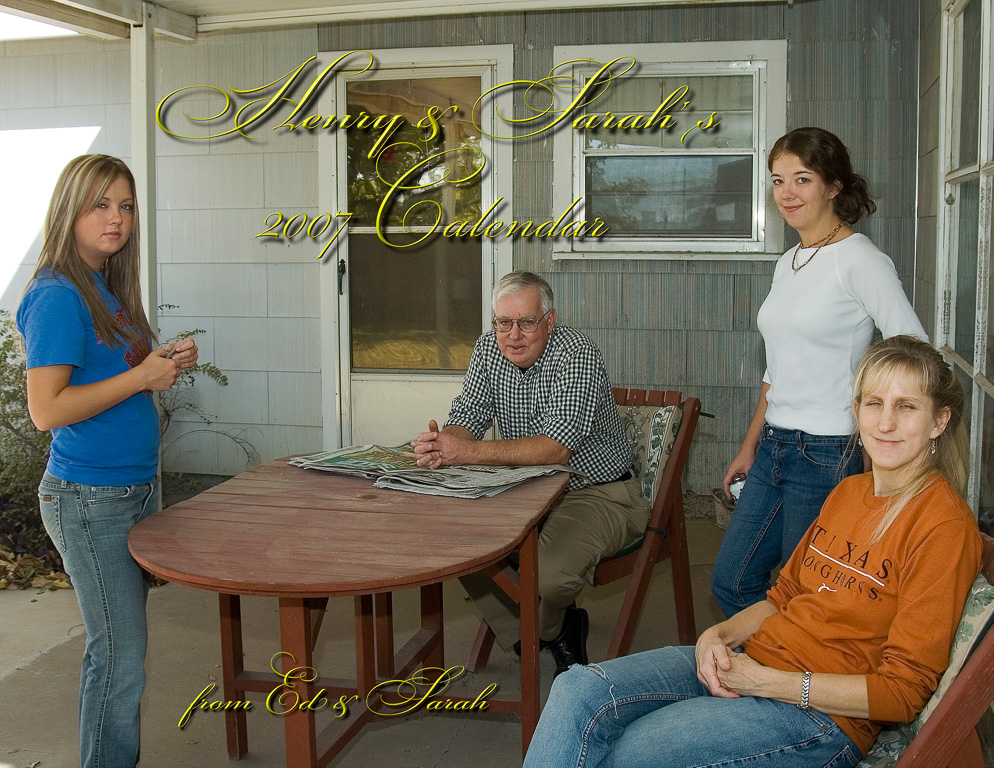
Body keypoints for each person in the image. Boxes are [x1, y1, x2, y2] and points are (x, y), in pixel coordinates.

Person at [523, 335, 981, 768]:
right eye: (874, 403)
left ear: (939, 420)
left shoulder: (942, 525)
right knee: (577, 690)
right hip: (755, 665)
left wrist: (770, 683)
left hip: (819, 719)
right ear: (856, 411)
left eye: (907, 407)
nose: (885, 423)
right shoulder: (849, 493)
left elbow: (902, 692)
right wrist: (716, 637)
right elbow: (782, 598)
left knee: (628, 752)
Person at [16, 154, 198, 768]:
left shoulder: (104, 286)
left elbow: (113, 376)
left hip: (132, 490)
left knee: (123, 651)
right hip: (89, 500)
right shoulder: (56, 296)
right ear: (70, 208)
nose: (115, 218)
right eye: (100, 204)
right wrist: (142, 376)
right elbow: (47, 410)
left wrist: (160, 365)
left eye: (125, 205)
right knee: (118, 656)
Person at [712, 126, 927, 618]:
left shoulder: (861, 260)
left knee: (804, 598)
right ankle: (768, 679)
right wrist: (750, 445)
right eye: (777, 180)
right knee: (732, 580)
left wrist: (883, 437)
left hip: (828, 452)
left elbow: (913, 352)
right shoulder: (790, 260)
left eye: (802, 179)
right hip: (774, 446)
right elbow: (778, 368)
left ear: (834, 186)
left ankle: (789, 690)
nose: (786, 193)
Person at [411, 270, 647, 675]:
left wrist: (467, 452)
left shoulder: (577, 353)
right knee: (455, 544)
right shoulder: (488, 349)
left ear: (549, 320)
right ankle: (549, 632)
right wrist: (443, 442)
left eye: (526, 322)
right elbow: (468, 415)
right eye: (504, 322)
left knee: (549, 576)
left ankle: (545, 625)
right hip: (523, 489)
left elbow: (556, 448)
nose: (513, 335)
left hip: (594, 491)